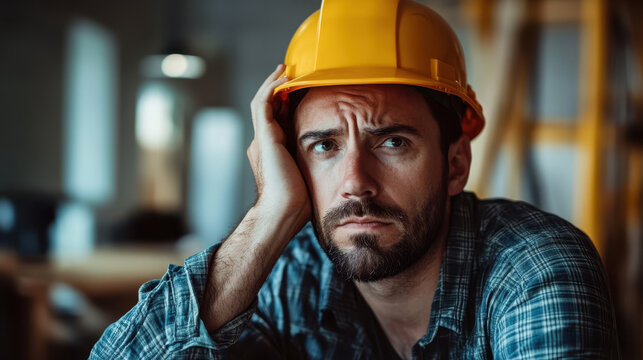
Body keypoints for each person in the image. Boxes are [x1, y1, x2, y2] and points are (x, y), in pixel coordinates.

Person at [90, 0, 619, 358]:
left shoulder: (534, 270)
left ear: (455, 163)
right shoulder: (297, 275)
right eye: (324, 147)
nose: (355, 183)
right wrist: (270, 215)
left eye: (393, 142)